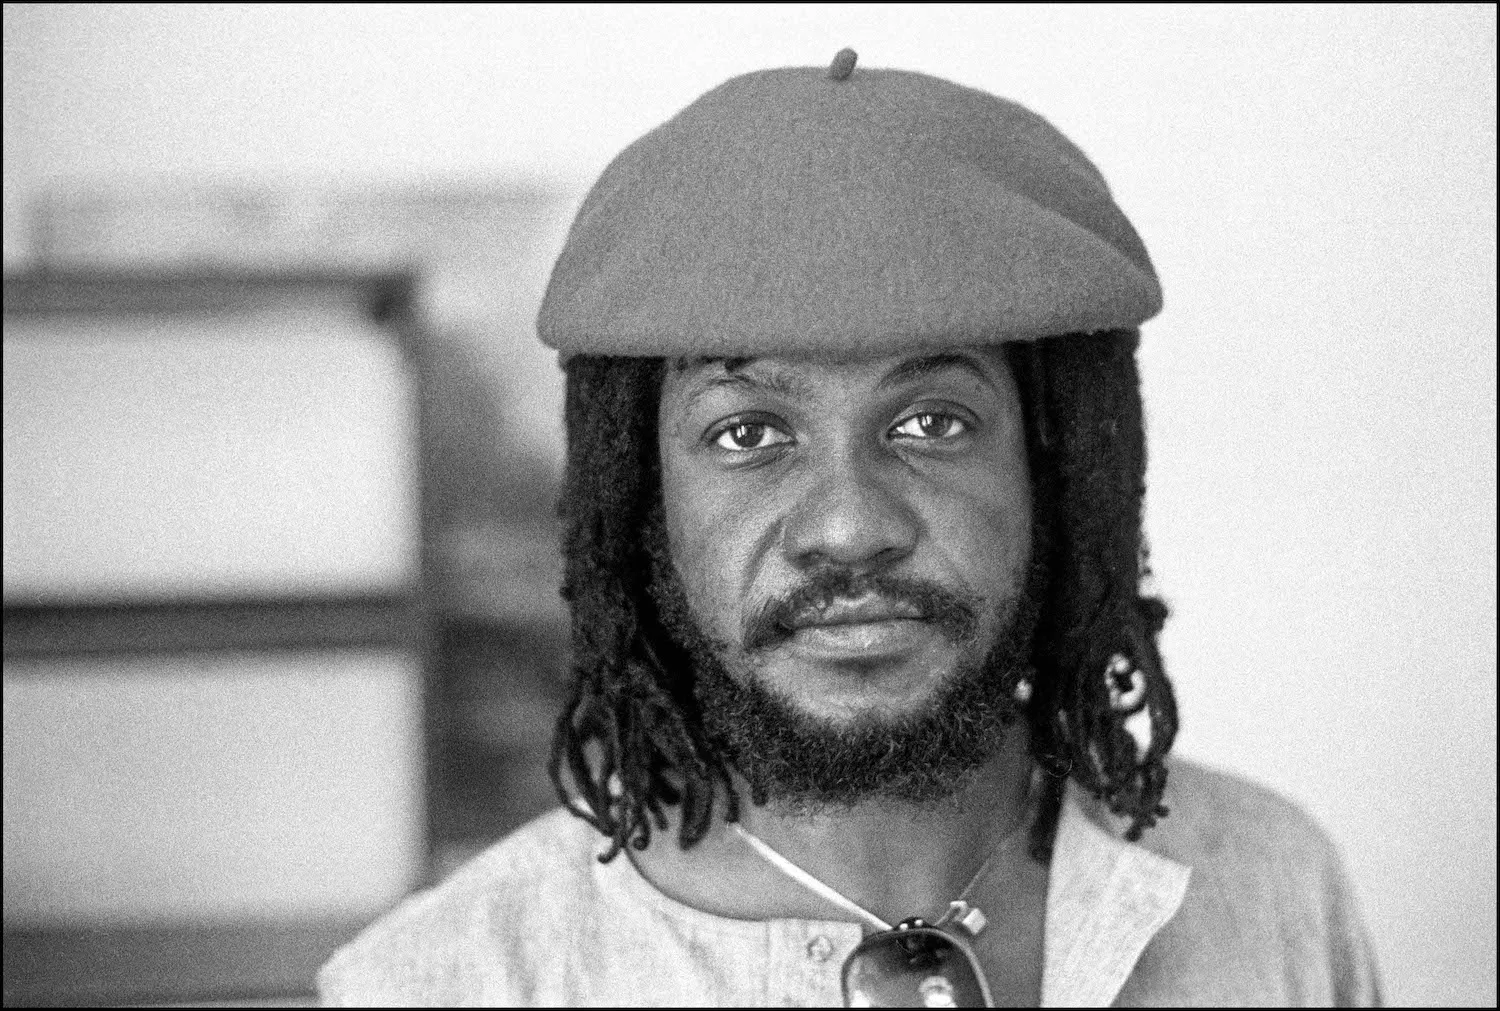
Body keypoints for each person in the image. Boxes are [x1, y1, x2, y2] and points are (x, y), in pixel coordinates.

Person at [319, 50, 1381, 1007]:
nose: (849, 527)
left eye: (931, 423)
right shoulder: (439, 984)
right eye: (747, 433)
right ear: (645, 497)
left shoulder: (1271, 888)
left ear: (1053, 467)